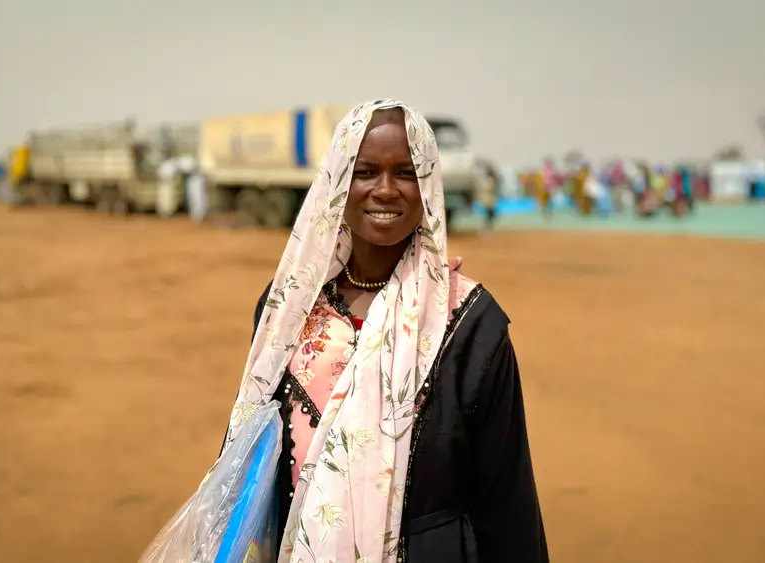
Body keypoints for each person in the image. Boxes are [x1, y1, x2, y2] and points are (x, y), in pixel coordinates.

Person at [220, 100, 548, 562]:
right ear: (336, 181)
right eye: (366, 171)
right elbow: (247, 454)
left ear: (430, 184)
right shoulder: (288, 307)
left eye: (406, 173)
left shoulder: (468, 321)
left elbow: (506, 497)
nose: (386, 190)